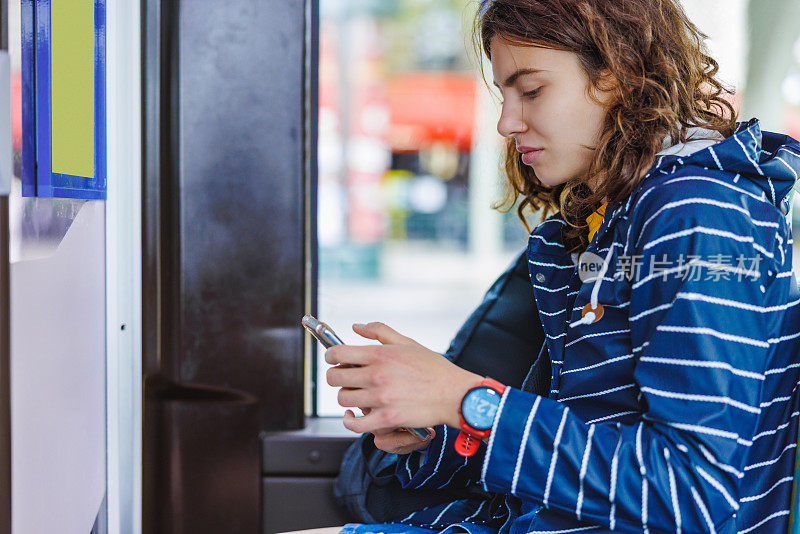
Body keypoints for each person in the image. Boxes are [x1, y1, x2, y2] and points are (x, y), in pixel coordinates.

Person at [320, 0, 800, 533]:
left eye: (531, 91)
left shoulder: (699, 217)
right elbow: (574, 454)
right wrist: (445, 424)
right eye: (504, 94)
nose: (506, 122)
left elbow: (695, 496)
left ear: (617, 74)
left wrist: (470, 403)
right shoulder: (594, 231)